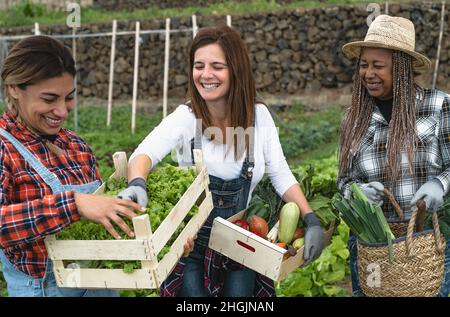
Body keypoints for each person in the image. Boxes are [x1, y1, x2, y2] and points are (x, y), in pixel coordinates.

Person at [117, 25, 326, 297]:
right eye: (198, 65)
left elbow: (280, 174)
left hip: (242, 247)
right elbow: (144, 154)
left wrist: (311, 220)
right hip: (191, 249)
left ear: (235, 70)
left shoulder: (258, 117)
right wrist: (137, 183)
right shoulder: (186, 118)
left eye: (217, 66)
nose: (205, 75)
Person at [0, 35, 145, 297]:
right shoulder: (4, 148)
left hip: (100, 284)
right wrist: (74, 204)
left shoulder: (76, 145)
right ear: (13, 88)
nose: (63, 111)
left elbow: (104, 218)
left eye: (68, 98)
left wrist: (160, 241)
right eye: (49, 99)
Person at [338, 14, 450, 297]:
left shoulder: (437, 106)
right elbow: (343, 182)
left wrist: (440, 184)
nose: (368, 73)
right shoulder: (354, 118)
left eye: (378, 65)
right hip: (372, 249)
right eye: (363, 65)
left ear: (400, 68)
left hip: (426, 244)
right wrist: (358, 192)